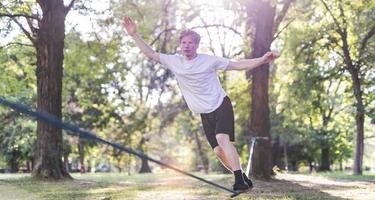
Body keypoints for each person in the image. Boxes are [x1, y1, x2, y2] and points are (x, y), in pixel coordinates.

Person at [123, 16, 279, 192]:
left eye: (190, 43)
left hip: (220, 104)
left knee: (222, 138)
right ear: (180, 45)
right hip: (204, 112)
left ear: (196, 45)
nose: (186, 45)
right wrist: (134, 35)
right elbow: (150, 53)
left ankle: (239, 182)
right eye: (183, 42)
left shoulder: (209, 60)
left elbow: (237, 65)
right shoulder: (175, 61)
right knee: (219, 152)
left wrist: (262, 60)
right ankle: (241, 176)